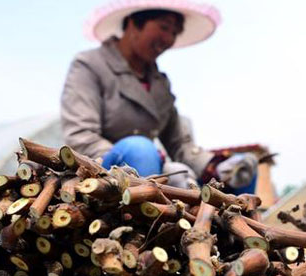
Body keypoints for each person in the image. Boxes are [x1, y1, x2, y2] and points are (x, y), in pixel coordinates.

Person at [60, 1, 261, 194]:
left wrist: (216, 166)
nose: (169, 39)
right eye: (164, 27)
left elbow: (179, 145)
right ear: (134, 24)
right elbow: (80, 136)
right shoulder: (89, 65)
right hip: (104, 174)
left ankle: (230, 227)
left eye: (175, 32)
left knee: (244, 167)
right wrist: (151, 158)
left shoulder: (160, 84)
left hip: (152, 173)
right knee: (139, 149)